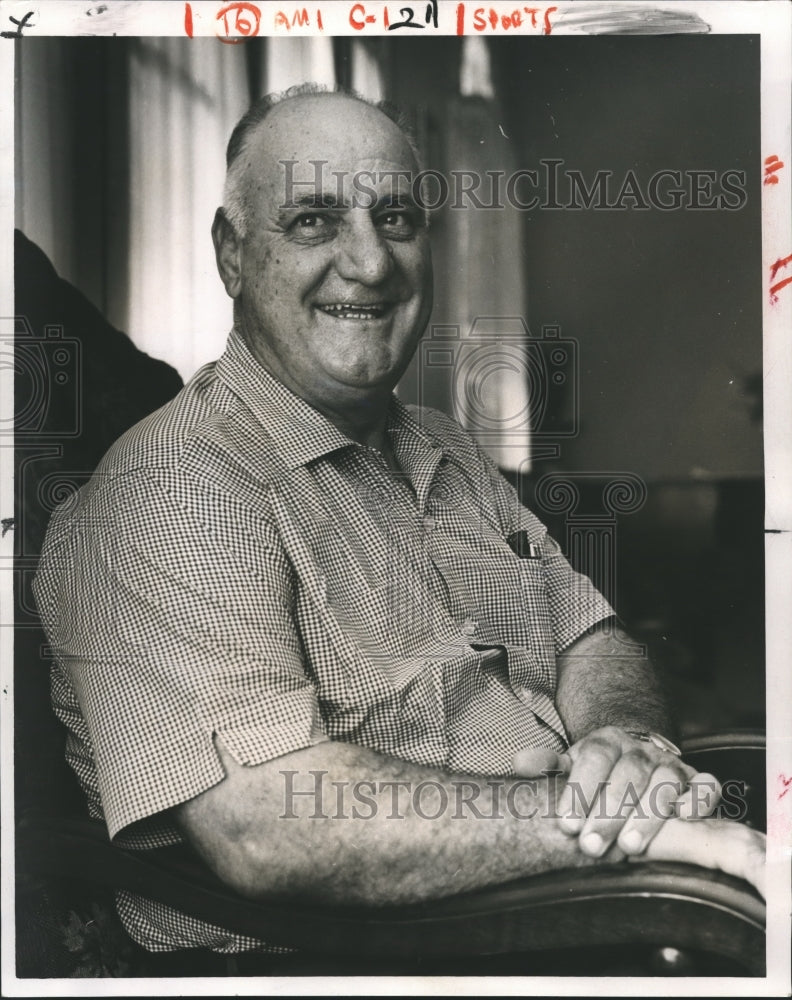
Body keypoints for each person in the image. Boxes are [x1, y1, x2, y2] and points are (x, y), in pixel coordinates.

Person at [33, 85, 765, 958]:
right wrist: (641, 830)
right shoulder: (174, 490)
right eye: (312, 221)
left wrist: (626, 741)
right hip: (364, 954)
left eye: (396, 218)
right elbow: (270, 828)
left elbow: (588, 636)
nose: (370, 264)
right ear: (233, 255)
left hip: (567, 882)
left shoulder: (442, 447)